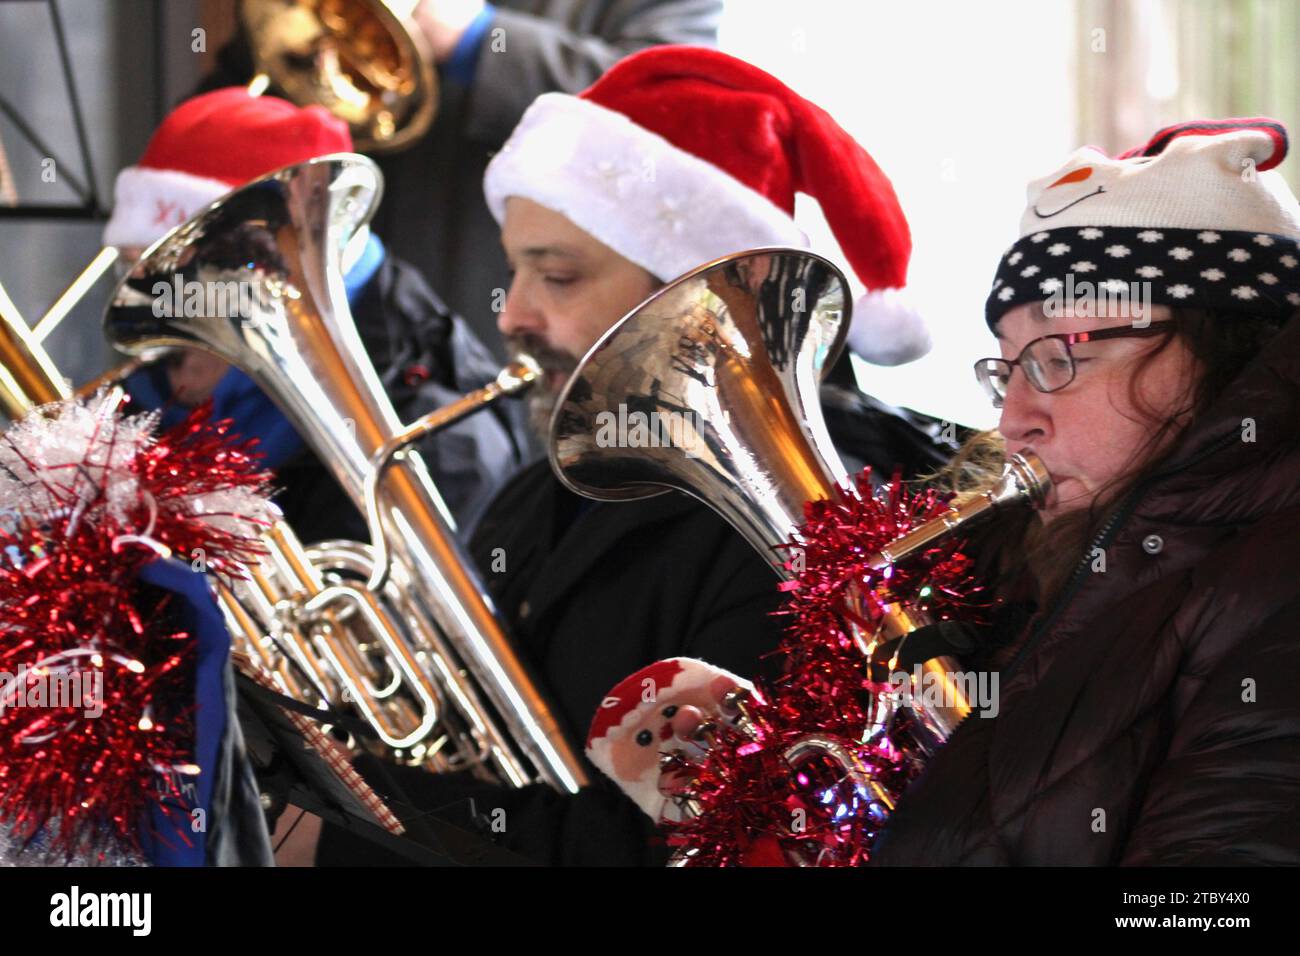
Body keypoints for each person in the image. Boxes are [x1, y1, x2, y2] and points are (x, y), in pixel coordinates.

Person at [309, 46, 947, 867]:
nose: (513, 315)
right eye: (516, 271)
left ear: (691, 298)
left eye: (560, 276)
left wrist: (351, 833)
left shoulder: (801, 525)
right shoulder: (535, 495)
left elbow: (686, 845)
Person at [667, 117, 1300, 866]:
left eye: (1061, 354)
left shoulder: (1273, 594)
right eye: (1007, 367)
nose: (1013, 418)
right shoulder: (1009, 565)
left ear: (1225, 347)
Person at [103, 87, 524, 540]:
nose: (155, 310)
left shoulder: (447, 441)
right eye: (132, 269)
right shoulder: (154, 386)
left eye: (175, 277)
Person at [197, 0, 726, 357]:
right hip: (331, 304)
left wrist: (477, 37)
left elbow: (667, 101)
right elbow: (245, 80)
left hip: (499, 313)